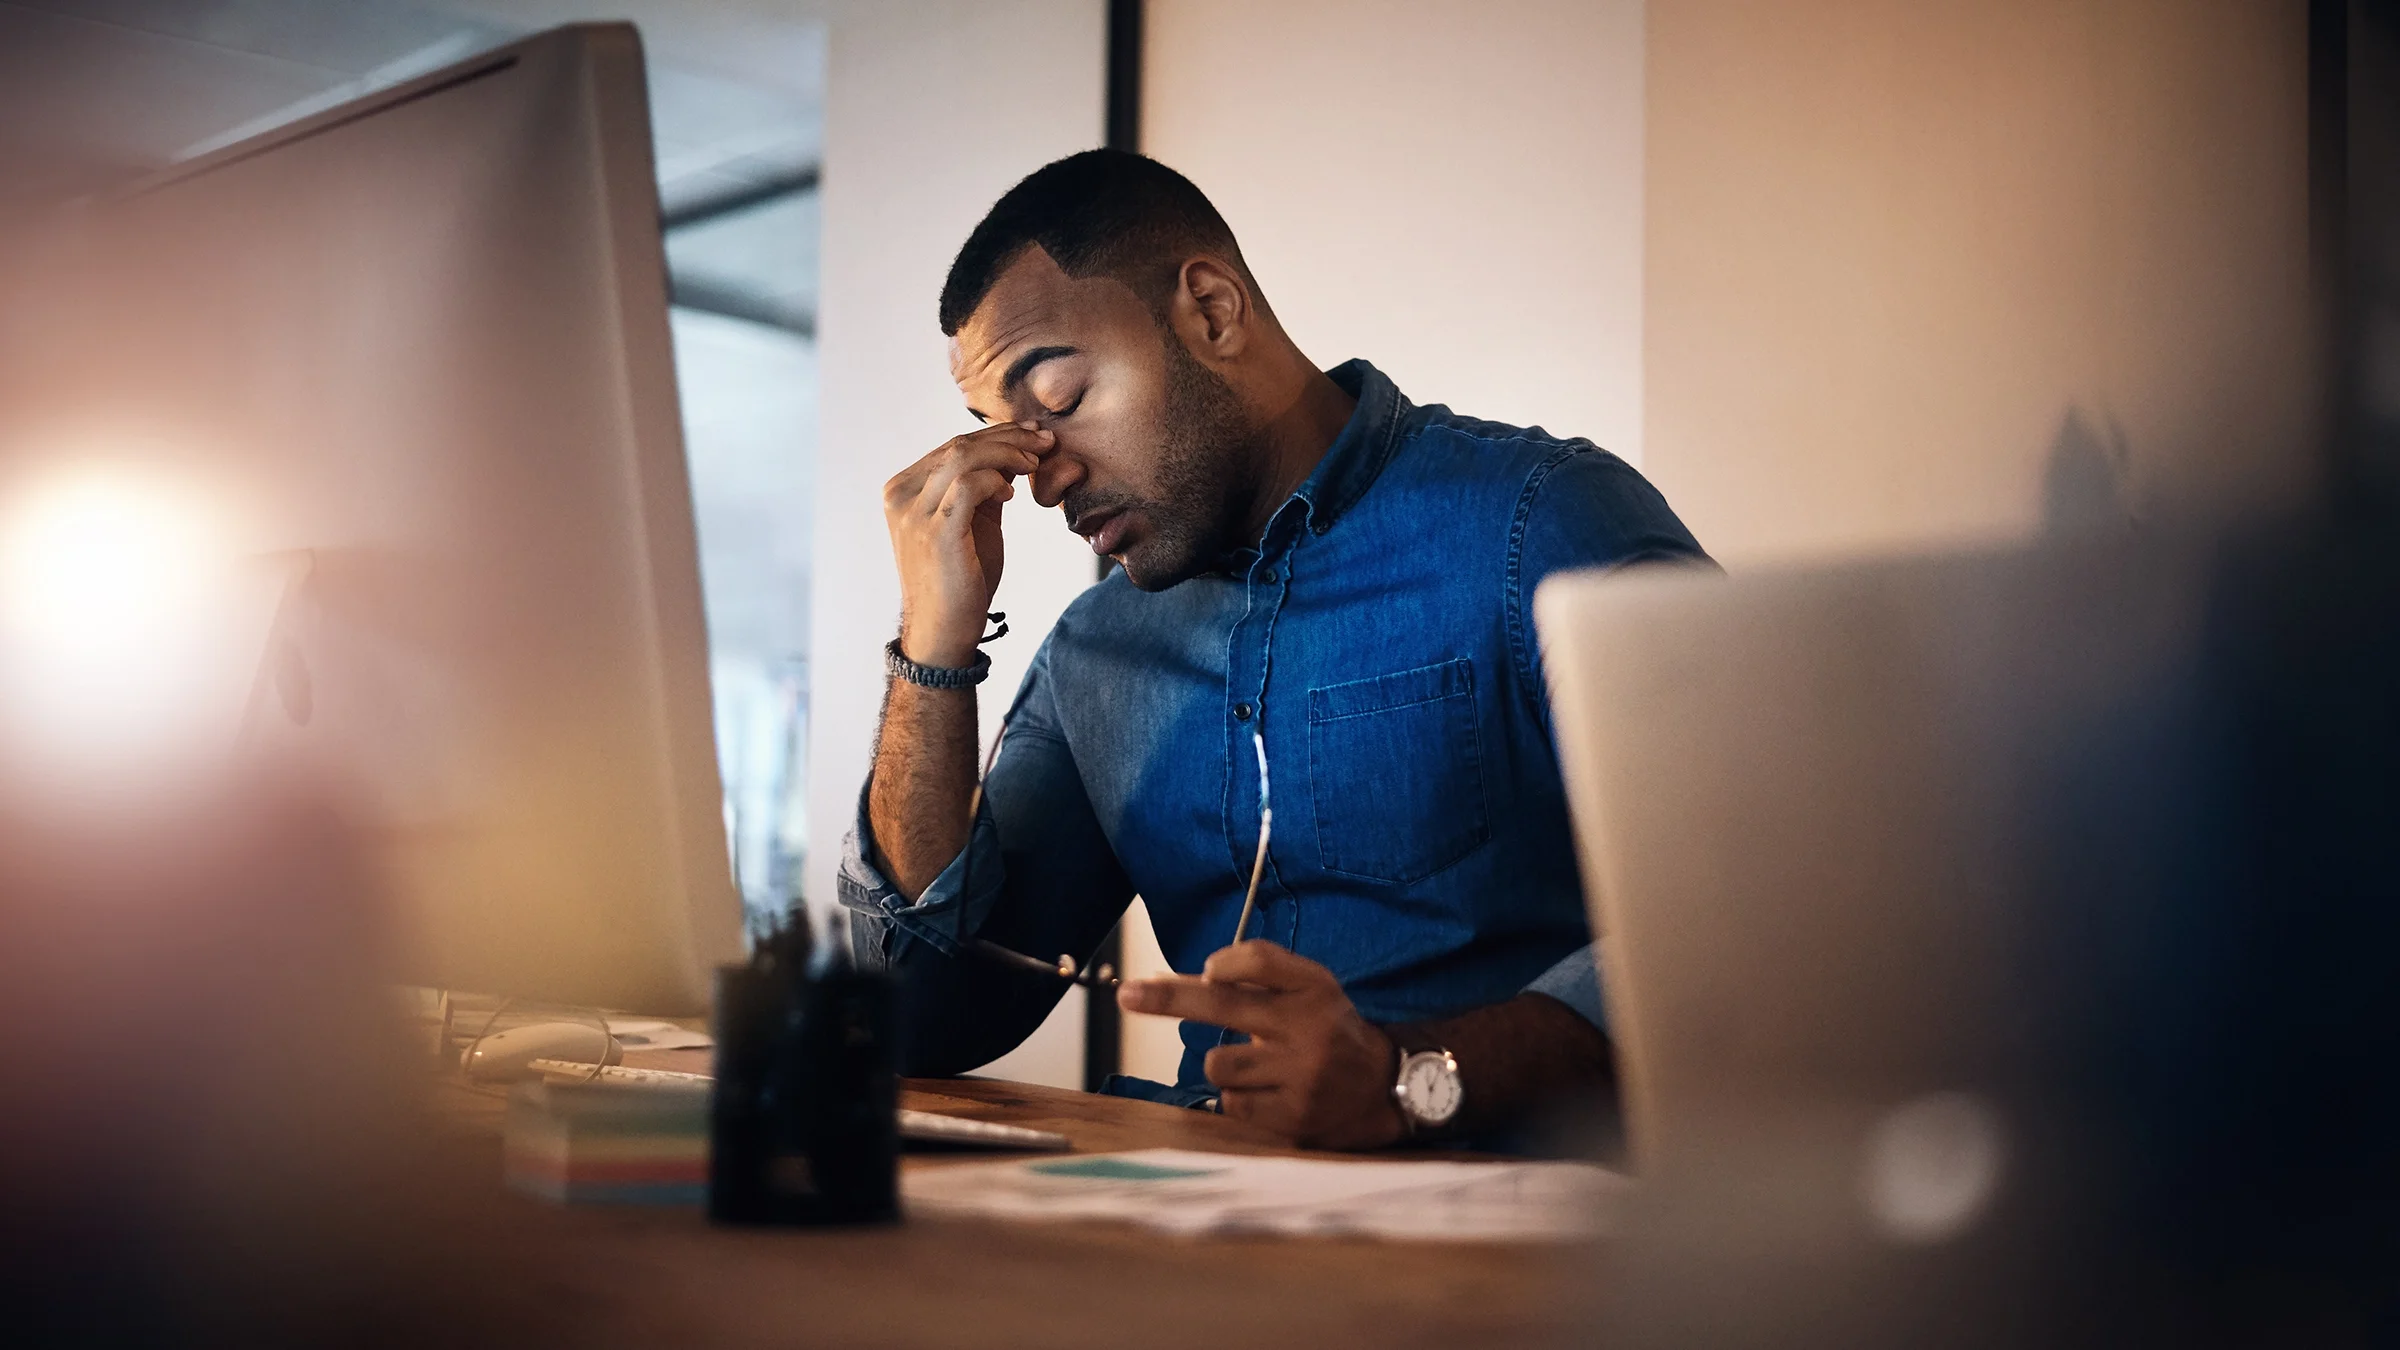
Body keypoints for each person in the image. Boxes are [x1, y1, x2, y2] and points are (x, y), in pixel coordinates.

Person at [840, 149, 1707, 1149]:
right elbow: (920, 1020)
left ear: (1210, 311)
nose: (1041, 480)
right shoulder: (1097, 653)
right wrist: (932, 647)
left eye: (1063, 400)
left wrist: (1408, 1079)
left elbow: (1751, 912)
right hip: (1203, 1229)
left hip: (1505, 1245)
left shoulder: (1539, 525)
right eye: (1007, 436)